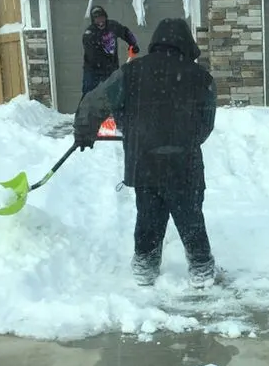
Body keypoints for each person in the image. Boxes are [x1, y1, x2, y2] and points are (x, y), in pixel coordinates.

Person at [73, 17, 217, 289]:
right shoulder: (201, 77)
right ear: (186, 44)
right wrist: (182, 141)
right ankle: (200, 269)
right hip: (184, 165)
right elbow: (205, 125)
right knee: (191, 218)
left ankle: (145, 268)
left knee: (149, 217)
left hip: (144, 162)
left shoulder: (132, 72)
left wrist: (85, 129)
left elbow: (95, 100)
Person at [81, 5, 139, 97]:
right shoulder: (89, 34)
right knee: (88, 94)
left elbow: (125, 32)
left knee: (114, 94)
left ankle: (113, 111)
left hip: (111, 68)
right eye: (97, 20)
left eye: (102, 18)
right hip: (93, 70)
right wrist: (107, 64)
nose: (100, 22)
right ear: (93, 21)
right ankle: (83, 111)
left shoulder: (113, 26)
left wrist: (133, 43)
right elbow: (92, 56)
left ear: (105, 17)